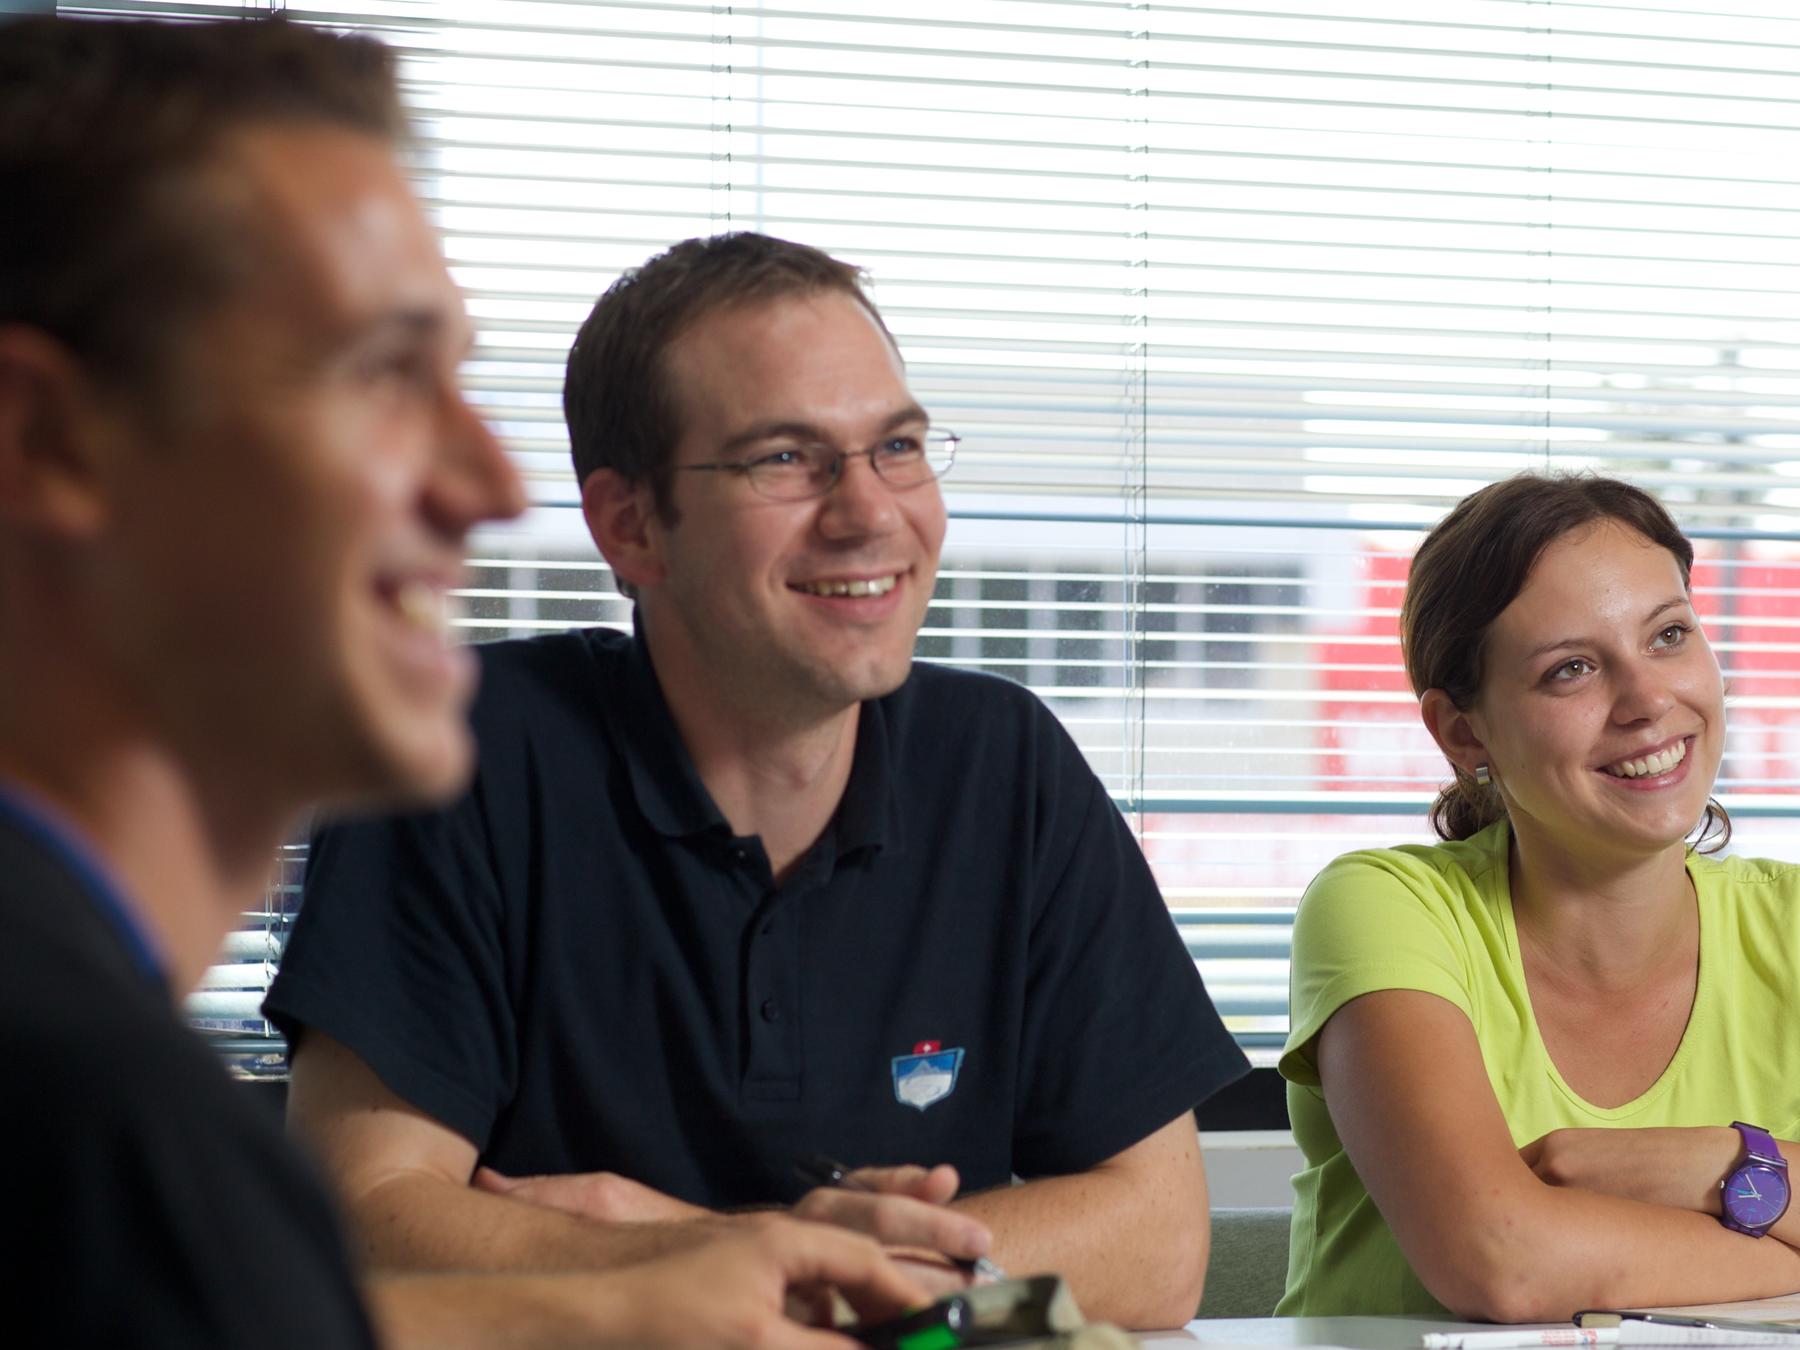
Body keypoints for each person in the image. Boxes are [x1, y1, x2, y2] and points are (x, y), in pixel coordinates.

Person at [0, 15, 929, 1347]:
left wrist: (622, 1302)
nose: (489, 486)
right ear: (46, 439)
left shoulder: (117, 1103)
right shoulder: (75, 1117)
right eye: (381, 376)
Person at [264, 229, 1251, 1327]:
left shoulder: (1005, 765)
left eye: (899, 447)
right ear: (630, 527)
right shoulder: (454, 756)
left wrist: (687, 1246)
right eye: (786, 459)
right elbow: (366, 1226)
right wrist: (823, 1261)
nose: (871, 512)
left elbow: (1159, 1242)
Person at [1277, 472, 1800, 1320]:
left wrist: (1723, 1165)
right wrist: (1787, 1219)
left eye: (1669, 635)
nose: (1648, 701)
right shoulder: (1381, 907)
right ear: (1463, 730)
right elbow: (1504, 1261)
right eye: (1573, 670)